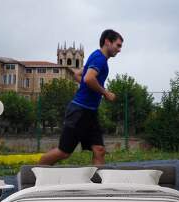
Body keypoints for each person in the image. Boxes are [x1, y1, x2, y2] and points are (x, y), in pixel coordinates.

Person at [38, 29, 123, 165]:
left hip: (90, 112)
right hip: (79, 111)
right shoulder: (99, 59)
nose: (119, 50)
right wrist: (105, 92)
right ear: (107, 42)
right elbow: (89, 79)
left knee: (99, 149)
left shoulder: (97, 56)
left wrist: (92, 88)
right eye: (118, 45)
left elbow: (77, 75)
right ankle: (33, 174)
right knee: (64, 152)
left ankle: (98, 184)